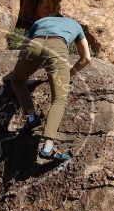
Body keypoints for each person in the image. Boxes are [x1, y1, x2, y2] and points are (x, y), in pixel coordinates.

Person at [6, 13, 92, 161]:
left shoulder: (41, 21)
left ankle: (32, 116)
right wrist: (68, 75)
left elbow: (24, 47)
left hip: (34, 45)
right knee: (59, 99)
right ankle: (48, 147)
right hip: (57, 47)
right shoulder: (75, 25)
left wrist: (26, 73)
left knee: (16, 81)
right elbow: (86, 58)